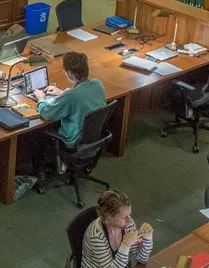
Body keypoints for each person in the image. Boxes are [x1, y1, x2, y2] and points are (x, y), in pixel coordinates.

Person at [30, 52, 106, 180]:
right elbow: (80, 95)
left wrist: (41, 99)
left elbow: (47, 113)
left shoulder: (71, 96)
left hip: (73, 142)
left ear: (70, 73)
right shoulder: (97, 84)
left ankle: (40, 175)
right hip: (92, 139)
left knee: (35, 133)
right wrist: (63, 92)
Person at [82, 190, 153, 268]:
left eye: (129, 215)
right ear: (109, 216)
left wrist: (147, 238)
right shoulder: (96, 236)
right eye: (124, 217)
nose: (129, 220)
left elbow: (142, 259)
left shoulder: (127, 224)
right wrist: (125, 245)